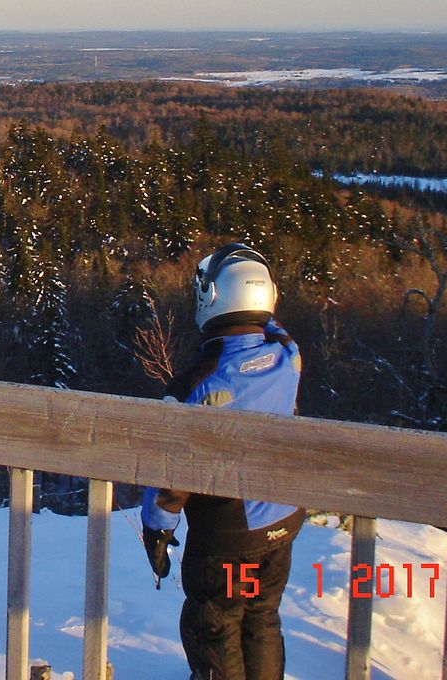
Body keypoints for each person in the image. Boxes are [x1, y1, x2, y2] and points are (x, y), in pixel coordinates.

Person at [140, 243, 304, 680]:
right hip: (282, 521)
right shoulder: (288, 357)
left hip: (230, 535)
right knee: (261, 617)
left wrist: (157, 529)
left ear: (213, 299)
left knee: (215, 624)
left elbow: (171, 473)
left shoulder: (200, 381)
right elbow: (274, 326)